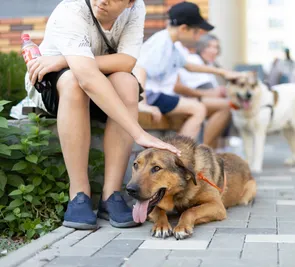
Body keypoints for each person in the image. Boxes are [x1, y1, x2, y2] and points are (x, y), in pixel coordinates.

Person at [24, 0, 180, 230]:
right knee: (75, 82)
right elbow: (85, 76)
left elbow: (127, 62)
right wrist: (138, 133)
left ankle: (111, 194)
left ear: (130, 2)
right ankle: (79, 194)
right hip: (56, 87)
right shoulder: (71, 9)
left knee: (127, 82)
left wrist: (66, 58)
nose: (102, 0)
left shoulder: (136, 10)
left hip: (100, 84)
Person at [135, 1, 241, 143]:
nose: (198, 37)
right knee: (198, 109)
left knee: (198, 108)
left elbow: (189, 66)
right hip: (152, 95)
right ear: (184, 28)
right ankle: (181, 155)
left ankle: (183, 153)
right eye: (196, 32)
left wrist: (222, 72)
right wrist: (142, 103)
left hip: (160, 95)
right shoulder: (160, 44)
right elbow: (140, 68)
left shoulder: (171, 44)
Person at [176, 34, 231, 149]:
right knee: (227, 106)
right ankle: (204, 150)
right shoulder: (194, 60)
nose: (213, 51)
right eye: (209, 47)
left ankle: (211, 151)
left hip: (197, 99)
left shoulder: (210, 64)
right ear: (201, 47)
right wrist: (216, 92)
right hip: (187, 98)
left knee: (228, 107)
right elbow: (203, 89)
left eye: (216, 47)